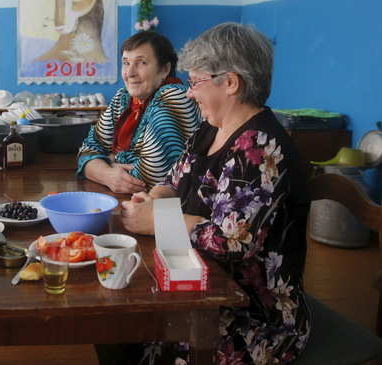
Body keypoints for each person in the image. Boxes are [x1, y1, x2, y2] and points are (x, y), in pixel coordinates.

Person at [118, 23, 311, 364]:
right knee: (124, 327)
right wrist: (153, 201)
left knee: (144, 336)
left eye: (195, 82)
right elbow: (174, 181)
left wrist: (161, 220)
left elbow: (231, 243)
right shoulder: (210, 128)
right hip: (197, 281)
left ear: (231, 83)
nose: (189, 93)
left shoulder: (261, 148)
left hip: (250, 313)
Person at [78, 31, 200, 193]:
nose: (129, 73)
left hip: (171, 210)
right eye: (126, 63)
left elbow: (148, 178)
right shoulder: (124, 98)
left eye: (141, 63)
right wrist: (107, 174)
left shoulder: (175, 96)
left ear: (164, 69)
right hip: (134, 203)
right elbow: (86, 150)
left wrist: (109, 159)